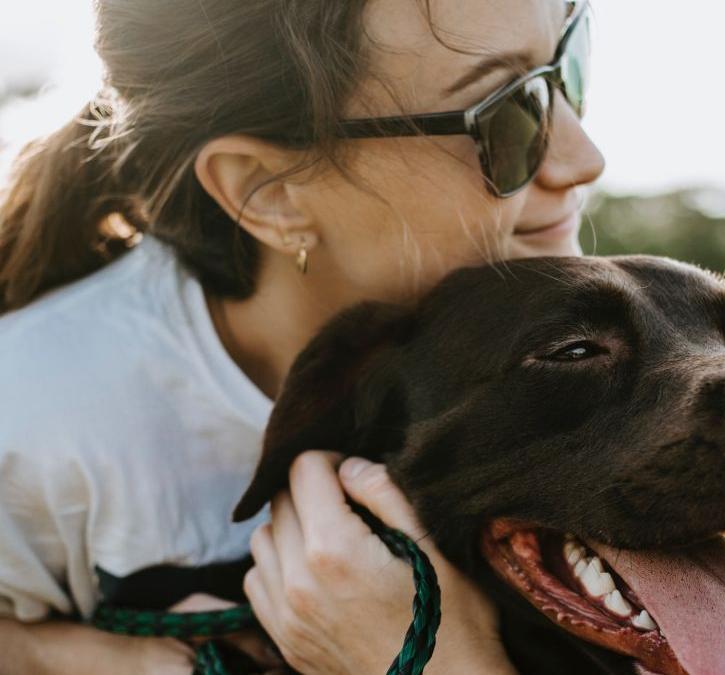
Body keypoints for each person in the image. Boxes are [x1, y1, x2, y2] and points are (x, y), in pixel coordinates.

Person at [0, 0, 601, 671]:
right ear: (269, 194)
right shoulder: (30, 415)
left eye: (566, 64)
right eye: (508, 115)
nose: (583, 157)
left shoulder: (574, 366)